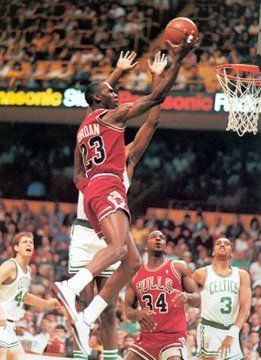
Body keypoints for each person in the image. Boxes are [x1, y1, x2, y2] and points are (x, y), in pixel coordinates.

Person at [53, 33, 198, 354]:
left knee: (132, 262)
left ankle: (86, 316)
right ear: (99, 100)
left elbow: (78, 174)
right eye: (110, 91)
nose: (115, 93)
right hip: (106, 191)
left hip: (94, 193)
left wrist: (90, 188)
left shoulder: (84, 128)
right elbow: (156, 99)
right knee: (120, 249)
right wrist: (175, 60)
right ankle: (70, 287)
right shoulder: (111, 116)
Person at [68, 51, 168, 360]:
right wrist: (116, 73)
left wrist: (155, 78)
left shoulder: (127, 159)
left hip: (109, 233)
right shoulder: (97, 137)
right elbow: (93, 109)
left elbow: (150, 119)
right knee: (80, 306)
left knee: (107, 310)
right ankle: (78, 355)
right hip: (84, 230)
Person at [124, 230, 200, 359]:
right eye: (153, 237)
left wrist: (187, 296)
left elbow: (198, 300)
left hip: (172, 338)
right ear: (146, 246)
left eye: (161, 237)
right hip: (146, 339)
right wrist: (137, 313)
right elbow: (128, 309)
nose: (158, 239)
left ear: (165, 245)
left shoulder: (179, 267)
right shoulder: (135, 274)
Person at [0, 231, 60, 360]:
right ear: (16, 247)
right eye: (25, 242)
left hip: (9, 327)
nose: (29, 244)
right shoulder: (10, 265)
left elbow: (24, 296)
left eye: (31, 242)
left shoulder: (27, 271)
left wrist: (48, 303)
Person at [192, 237, 251, 359]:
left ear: (231, 253)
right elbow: (189, 297)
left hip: (231, 329)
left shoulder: (242, 275)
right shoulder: (201, 273)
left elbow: (245, 309)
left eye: (227, 243)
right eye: (218, 243)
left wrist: (233, 333)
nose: (222, 244)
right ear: (213, 251)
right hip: (209, 329)